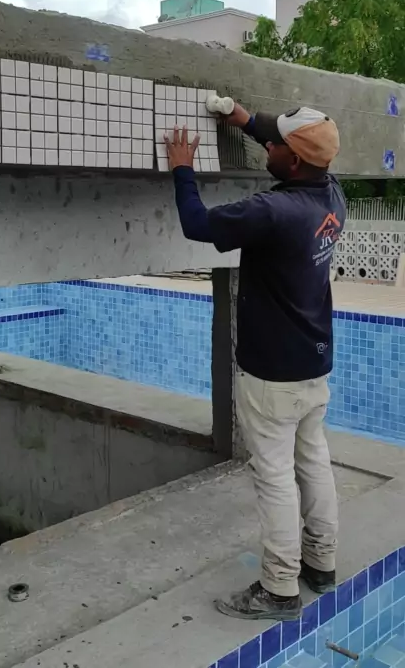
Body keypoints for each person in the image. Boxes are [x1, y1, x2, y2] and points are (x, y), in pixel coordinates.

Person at [164, 102, 346, 622]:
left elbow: (197, 224)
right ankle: (321, 564)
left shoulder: (272, 211)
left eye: (276, 144)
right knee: (313, 462)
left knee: (274, 477)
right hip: (314, 362)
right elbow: (282, 138)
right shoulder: (333, 193)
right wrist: (242, 117)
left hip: (272, 375)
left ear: (294, 160)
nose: (267, 143)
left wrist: (182, 168)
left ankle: (279, 589)